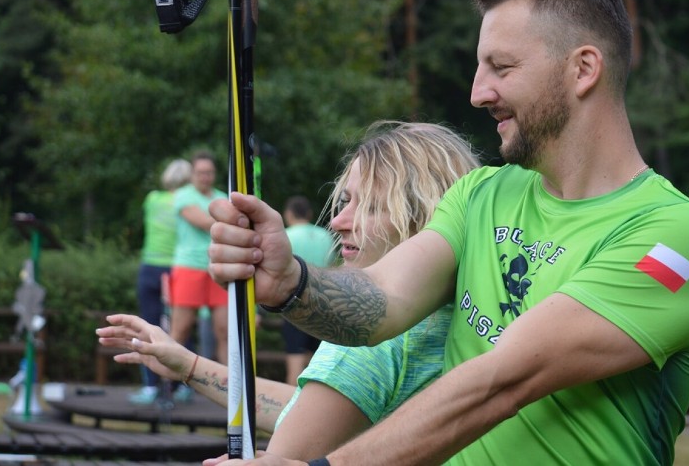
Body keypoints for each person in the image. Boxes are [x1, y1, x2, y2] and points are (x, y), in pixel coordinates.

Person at [207, 0, 689, 465]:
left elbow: (503, 379)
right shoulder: (482, 193)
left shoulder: (677, 239)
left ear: (584, 69)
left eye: (501, 67)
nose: (479, 93)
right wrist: (290, 282)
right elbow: (383, 299)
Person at [96, 121, 480, 459]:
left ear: (428, 217)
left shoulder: (372, 338)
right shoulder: (460, 315)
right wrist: (190, 367)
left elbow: (293, 443)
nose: (339, 221)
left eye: (373, 206)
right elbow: (313, 411)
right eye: (345, 201)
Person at [129, 158, 192, 405]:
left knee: (148, 326)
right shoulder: (188, 202)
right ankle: (182, 385)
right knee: (180, 327)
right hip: (176, 267)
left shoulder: (152, 199)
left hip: (149, 267)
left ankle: (150, 386)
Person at [169, 149, 228, 402]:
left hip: (218, 268)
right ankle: (167, 389)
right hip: (188, 268)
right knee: (180, 330)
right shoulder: (183, 195)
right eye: (201, 172)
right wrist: (228, 224)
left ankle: (230, 390)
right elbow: (203, 222)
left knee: (225, 332)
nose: (205, 177)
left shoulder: (222, 197)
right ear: (192, 174)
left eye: (209, 172)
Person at [280, 195, 335, 385]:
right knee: (318, 371)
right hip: (322, 306)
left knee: (294, 365)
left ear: (288, 214)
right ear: (309, 213)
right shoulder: (325, 235)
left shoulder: (285, 236)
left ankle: (289, 410)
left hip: (294, 306)